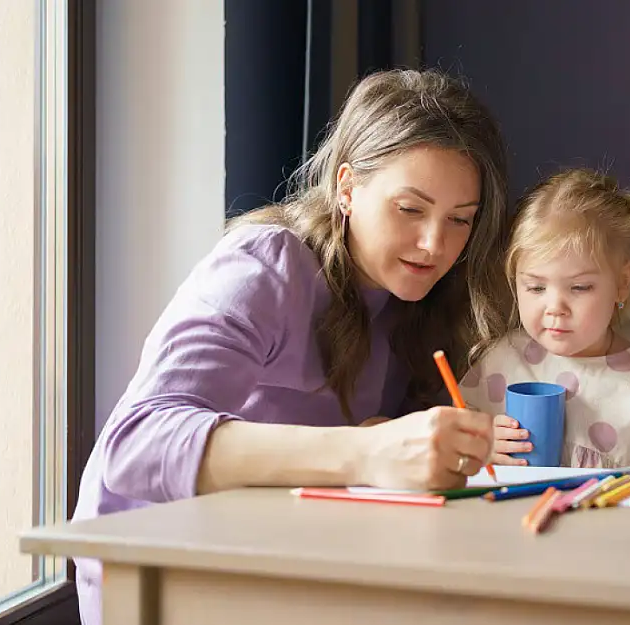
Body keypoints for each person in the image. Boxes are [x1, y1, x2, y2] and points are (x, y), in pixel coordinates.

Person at [72, 69, 512, 624]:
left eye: (459, 221)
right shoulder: (266, 265)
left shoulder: (421, 301)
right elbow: (135, 446)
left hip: (288, 552)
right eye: (409, 209)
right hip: (161, 572)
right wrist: (367, 451)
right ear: (348, 188)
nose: (434, 244)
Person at [461, 169, 630, 469]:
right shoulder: (499, 362)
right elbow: (449, 446)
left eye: (579, 287)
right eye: (536, 287)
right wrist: (478, 445)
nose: (555, 307)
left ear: (622, 283)